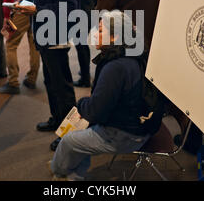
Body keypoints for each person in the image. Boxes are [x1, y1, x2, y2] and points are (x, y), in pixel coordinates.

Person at [50, 11, 155, 181]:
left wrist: (82, 103)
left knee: (68, 141)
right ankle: (74, 175)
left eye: (100, 31)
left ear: (114, 37)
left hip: (124, 135)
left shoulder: (115, 67)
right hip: (140, 127)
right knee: (80, 135)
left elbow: (95, 112)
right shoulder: (133, 55)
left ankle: (59, 171)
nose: (94, 34)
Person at [14, 0, 79, 152]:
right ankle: (57, 119)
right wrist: (29, 5)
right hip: (45, 34)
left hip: (56, 35)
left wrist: (37, 10)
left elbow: (70, 7)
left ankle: (69, 133)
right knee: (51, 81)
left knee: (62, 86)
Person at [0, 0, 40, 95]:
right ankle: (32, 79)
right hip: (36, 9)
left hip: (20, 10)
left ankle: (13, 82)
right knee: (35, 46)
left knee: (10, 44)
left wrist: (6, 15)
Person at [65, 0, 103, 87]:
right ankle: (85, 71)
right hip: (92, 11)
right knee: (82, 45)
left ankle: (85, 78)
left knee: (81, 46)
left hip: (82, 13)